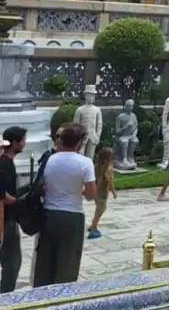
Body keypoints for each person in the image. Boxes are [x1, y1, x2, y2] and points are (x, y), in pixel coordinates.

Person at [33, 123, 96, 288]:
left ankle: (41, 296)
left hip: (49, 214)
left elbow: (41, 185)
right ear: (79, 142)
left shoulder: (49, 159)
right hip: (72, 215)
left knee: (45, 261)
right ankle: (61, 299)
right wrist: (78, 189)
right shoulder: (85, 163)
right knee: (67, 262)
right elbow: (91, 195)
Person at [0, 126, 26, 293]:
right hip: (5, 221)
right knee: (12, 262)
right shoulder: (5, 165)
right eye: (23, 140)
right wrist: (21, 202)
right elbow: (3, 195)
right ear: (15, 143)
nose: (25, 143)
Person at [87, 146, 117, 239]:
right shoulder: (105, 168)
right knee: (101, 208)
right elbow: (108, 181)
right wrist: (113, 192)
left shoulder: (99, 167)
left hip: (100, 192)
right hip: (100, 192)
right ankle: (93, 226)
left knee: (100, 208)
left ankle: (93, 224)